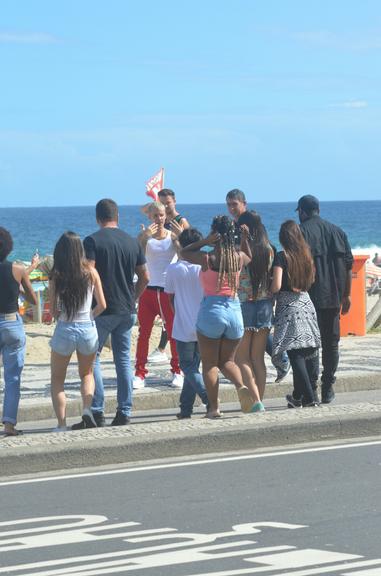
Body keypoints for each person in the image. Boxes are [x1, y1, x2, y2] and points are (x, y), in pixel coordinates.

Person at [72, 199, 149, 428]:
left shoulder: (92, 240)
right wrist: (134, 297)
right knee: (123, 360)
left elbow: (89, 274)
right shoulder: (131, 242)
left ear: (98, 218)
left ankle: (97, 410)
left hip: (101, 308)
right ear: (117, 216)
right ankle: (124, 410)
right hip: (126, 309)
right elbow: (145, 277)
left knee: (92, 358)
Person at [181, 215, 253, 418]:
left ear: (215, 234)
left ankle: (214, 408)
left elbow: (184, 252)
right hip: (234, 312)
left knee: (210, 364)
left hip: (212, 311)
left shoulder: (207, 258)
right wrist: (245, 238)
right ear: (233, 235)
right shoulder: (238, 258)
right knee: (228, 361)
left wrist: (205, 241)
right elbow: (249, 255)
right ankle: (240, 386)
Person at [225, 188, 291, 381]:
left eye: (234, 204)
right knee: (257, 350)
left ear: (243, 203)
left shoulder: (245, 233)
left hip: (246, 299)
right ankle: (278, 363)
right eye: (228, 205)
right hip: (262, 299)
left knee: (246, 354)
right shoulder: (266, 245)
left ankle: (253, 385)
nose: (231, 208)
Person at [297, 195, 353, 403]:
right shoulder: (338, 232)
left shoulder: (301, 232)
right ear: (318, 210)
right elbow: (348, 267)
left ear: (302, 211)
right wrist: (346, 295)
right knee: (331, 344)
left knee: (310, 345)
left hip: (309, 297)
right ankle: (328, 386)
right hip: (333, 297)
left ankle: (311, 389)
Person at [49, 232, 106, 431]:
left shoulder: (57, 275)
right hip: (87, 328)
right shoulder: (91, 272)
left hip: (65, 328)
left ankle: (61, 424)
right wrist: (88, 316)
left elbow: (53, 311)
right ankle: (87, 409)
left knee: (57, 379)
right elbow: (102, 305)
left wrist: (61, 316)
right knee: (87, 374)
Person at [133, 201, 183, 389]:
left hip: (167, 292)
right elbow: (134, 253)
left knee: (173, 334)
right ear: (149, 217)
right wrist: (144, 236)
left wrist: (181, 237)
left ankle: (178, 371)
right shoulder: (145, 237)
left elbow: (183, 256)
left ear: (166, 216)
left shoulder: (172, 236)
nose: (159, 219)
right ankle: (139, 373)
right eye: (155, 215)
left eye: (161, 215)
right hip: (148, 292)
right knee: (143, 334)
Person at [271, 220, 321, 408]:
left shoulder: (281, 256)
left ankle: (310, 398)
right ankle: (298, 396)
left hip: (288, 306)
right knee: (306, 351)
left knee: (295, 354)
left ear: (283, 237)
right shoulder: (306, 256)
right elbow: (312, 280)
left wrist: (268, 289)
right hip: (306, 303)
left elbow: (276, 285)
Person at [165, 228, 209, 418]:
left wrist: (178, 313)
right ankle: (185, 408)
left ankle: (208, 396)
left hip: (183, 325)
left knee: (187, 366)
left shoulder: (174, 269)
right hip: (204, 323)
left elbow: (170, 298)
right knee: (193, 368)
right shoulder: (204, 268)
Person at [235, 211, 275, 411]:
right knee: (258, 358)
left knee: (241, 358)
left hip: (244, 304)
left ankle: (256, 401)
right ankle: (260, 399)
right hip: (265, 305)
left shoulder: (239, 250)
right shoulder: (269, 249)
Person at [0, 227, 38, 436]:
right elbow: (32, 299)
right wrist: (20, 290)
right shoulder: (18, 269)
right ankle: (8, 424)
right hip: (11, 323)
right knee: (12, 377)